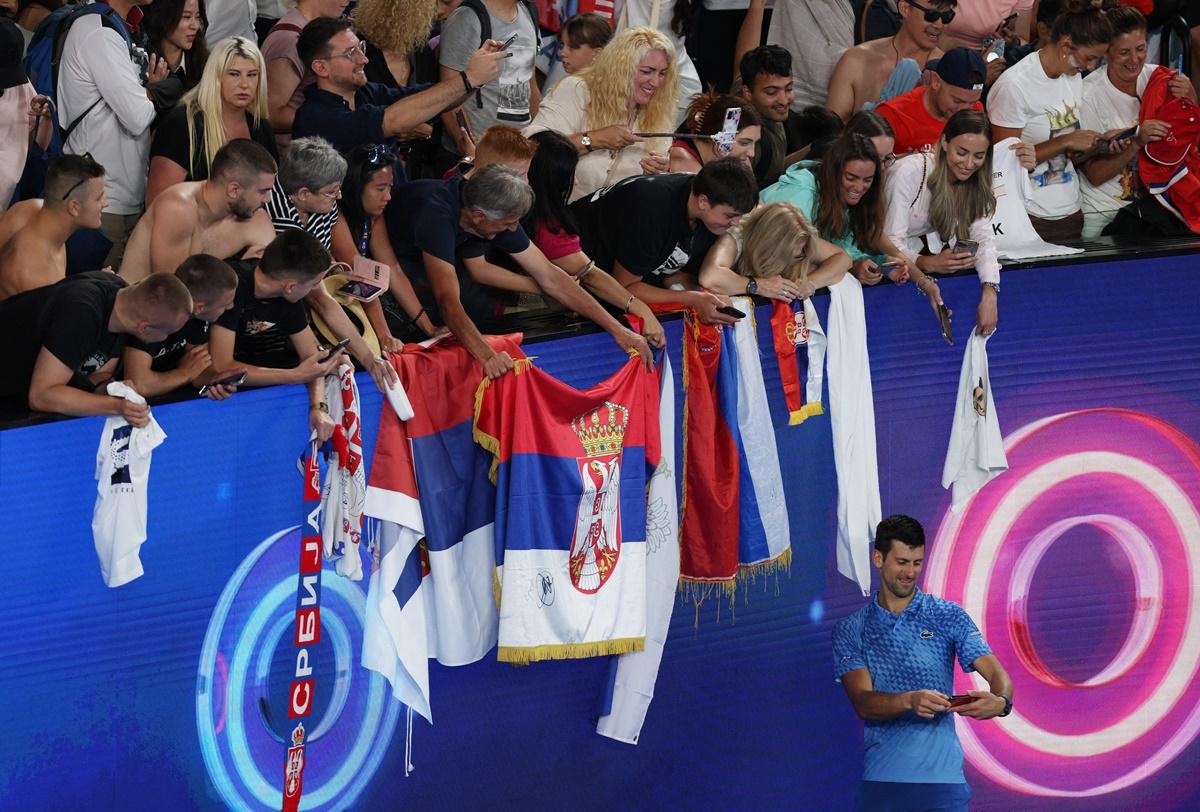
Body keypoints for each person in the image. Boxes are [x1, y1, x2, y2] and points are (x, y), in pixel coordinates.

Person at [386, 164, 652, 378]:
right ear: (479, 216)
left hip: (442, 251)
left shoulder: (490, 211)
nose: (513, 230)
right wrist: (487, 356)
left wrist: (618, 329)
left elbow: (550, 276)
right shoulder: (436, 216)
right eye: (509, 223)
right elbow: (448, 300)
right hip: (392, 262)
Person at [833, 514, 1014, 812]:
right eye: (902, 562)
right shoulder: (851, 629)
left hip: (943, 785)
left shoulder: (948, 615)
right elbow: (863, 703)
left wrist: (1001, 702)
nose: (910, 572)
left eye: (917, 562)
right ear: (878, 558)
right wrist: (909, 700)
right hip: (883, 784)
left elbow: (998, 675)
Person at [883, 111, 1033, 336]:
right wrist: (927, 262)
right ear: (944, 142)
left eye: (979, 156)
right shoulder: (909, 173)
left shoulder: (976, 182)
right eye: (961, 152)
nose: (969, 164)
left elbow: (982, 237)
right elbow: (887, 243)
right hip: (875, 257)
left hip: (913, 264)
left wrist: (990, 291)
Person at [56, 0, 174, 269]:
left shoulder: (126, 27)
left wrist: (148, 93)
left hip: (127, 193)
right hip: (99, 199)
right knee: (94, 301)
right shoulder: (97, 30)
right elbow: (137, 116)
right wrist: (160, 91)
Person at [569, 157, 758, 323]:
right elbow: (624, 289)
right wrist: (692, 299)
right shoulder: (653, 211)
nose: (735, 223)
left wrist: (705, 298)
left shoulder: (706, 213)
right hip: (566, 273)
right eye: (730, 215)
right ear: (703, 202)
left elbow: (670, 270)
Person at [523, 130, 666, 348]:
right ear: (555, 178)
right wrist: (638, 306)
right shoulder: (548, 229)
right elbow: (590, 276)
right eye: (571, 172)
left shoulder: (514, 211)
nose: (577, 178)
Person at [987, 0, 1113, 241]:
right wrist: (1066, 141)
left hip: (1070, 211)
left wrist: (1096, 144)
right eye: (1089, 57)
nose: (1092, 66)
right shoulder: (1014, 85)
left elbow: (1068, 153)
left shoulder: (1072, 77)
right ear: (1066, 45)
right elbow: (1000, 166)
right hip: (1027, 216)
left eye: (1098, 59)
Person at [291, 16, 506, 155]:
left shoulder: (367, 92)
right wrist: (467, 79)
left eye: (361, 48)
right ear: (321, 68)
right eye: (350, 54)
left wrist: (476, 79)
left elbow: (438, 100)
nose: (363, 59)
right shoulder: (315, 117)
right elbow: (392, 121)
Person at [207, 229, 347, 439]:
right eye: (312, 284)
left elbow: (312, 359)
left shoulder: (287, 299)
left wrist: (318, 406)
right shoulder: (233, 287)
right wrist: (293, 376)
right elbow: (222, 367)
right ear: (291, 286)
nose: (313, 292)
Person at [0, 271, 192, 423]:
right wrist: (115, 407)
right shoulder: (81, 314)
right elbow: (42, 396)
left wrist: (116, 390)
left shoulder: (123, 304)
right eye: (168, 332)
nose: (167, 338)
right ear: (144, 327)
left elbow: (97, 376)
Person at [523, 26, 680, 202]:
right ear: (622, 68)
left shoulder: (660, 112)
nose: (656, 82)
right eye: (646, 71)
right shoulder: (577, 90)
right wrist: (593, 139)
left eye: (662, 74)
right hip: (559, 214)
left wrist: (658, 173)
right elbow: (533, 148)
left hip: (615, 222)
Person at [1078, 4, 1192, 238]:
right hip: (1104, 215)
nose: (1134, 59)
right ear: (1106, 52)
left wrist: (1190, 95)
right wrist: (1137, 142)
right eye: (1124, 52)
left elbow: (1190, 139)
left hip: (1158, 211)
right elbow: (1095, 175)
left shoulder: (1160, 79)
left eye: (1140, 49)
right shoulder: (1087, 96)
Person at [762, 133, 913, 286]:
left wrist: (880, 265)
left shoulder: (845, 199)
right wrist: (851, 268)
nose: (859, 187)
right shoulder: (799, 194)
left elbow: (842, 246)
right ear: (833, 171)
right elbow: (791, 256)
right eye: (851, 178)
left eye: (867, 180)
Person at [120, 139, 277, 282]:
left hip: (201, 309)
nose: (268, 199)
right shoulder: (178, 207)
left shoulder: (255, 218)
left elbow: (277, 279)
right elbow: (171, 291)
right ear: (234, 190)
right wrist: (242, 272)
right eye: (262, 191)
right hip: (142, 305)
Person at [146, 37, 277, 205]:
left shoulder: (260, 126)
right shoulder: (183, 124)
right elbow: (158, 203)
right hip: (188, 227)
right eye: (234, 74)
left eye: (252, 75)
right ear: (215, 77)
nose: (244, 84)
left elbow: (270, 195)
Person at [331, 144, 437, 348]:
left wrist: (428, 327)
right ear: (356, 187)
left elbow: (393, 271)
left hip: (356, 294)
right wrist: (384, 337)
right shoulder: (335, 217)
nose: (388, 196)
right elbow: (360, 278)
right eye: (380, 188)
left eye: (390, 187)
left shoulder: (373, 216)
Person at [122, 253, 242, 399]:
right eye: (225, 304)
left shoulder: (199, 318)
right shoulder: (152, 311)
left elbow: (199, 369)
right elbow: (139, 385)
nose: (231, 307)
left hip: (168, 391)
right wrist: (184, 374)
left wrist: (214, 380)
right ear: (199, 307)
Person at [439, 0, 541, 159]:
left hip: (521, 154)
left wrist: (540, 138)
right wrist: (470, 152)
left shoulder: (529, 12)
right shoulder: (467, 17)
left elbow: (531, 85)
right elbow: (446, 96)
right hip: (478, 156)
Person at [0, 154, 107, 301]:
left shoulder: (28, 208)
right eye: (99, 198)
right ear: (74, 207)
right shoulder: (37, 276)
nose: (105, 203)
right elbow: (60, 320)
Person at [825, 0, 955, 120]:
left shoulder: (950, 71)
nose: (939, 25)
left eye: (946, 17)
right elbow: (832, 130)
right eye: (931, 15)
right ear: (905, 8)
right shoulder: (856, 60)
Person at [697, 200, 852, 301]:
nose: (797, 259)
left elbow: (842, 258)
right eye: (791, 256)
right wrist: (757, 286)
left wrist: (810, 283)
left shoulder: (800, 239)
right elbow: (710, 277)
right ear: (771, 249)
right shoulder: (736, 235)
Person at [261, 0, 349, 151]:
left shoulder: (313, 31)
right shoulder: (289, 39)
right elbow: (270, 113)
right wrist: (335, 120)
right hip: (297, 161)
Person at [876, 46, 986, 155]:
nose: (964, 110)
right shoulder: (891, 116)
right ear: (936, 82)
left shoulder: (976, 111)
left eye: (971, 102)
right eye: (957, 101)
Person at [737, 45, 803, 188]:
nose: (784, 100)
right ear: (747, 93)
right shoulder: (744, 141)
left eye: (789, 89)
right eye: (771, 92)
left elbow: (776, 168)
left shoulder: (749, 85)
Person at [668, 93, 762, 173]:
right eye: (744, 143)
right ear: (717, 137)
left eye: (755, 143)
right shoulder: (682, 160)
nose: (752, 153)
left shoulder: (740, 157)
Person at [140, 0, 209, 92]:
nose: (195, 26)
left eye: (197, 17)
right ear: (163, 17)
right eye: (187, 17)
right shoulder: (140, 62)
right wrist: (152, 93)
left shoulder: (207, 65)